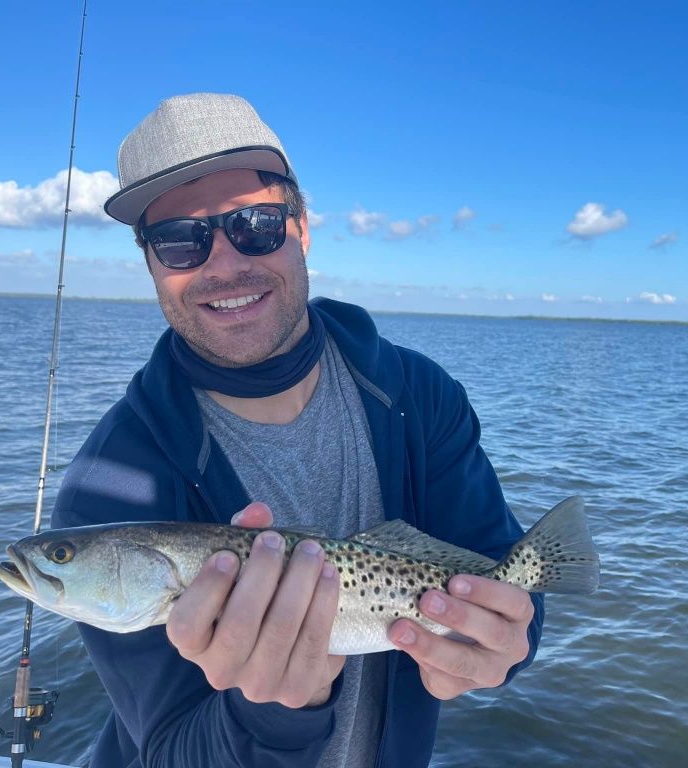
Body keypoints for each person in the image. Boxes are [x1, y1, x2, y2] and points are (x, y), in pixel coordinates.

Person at [52, 92, 545, 768]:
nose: (224, 265)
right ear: (150, 263)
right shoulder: (111, 486)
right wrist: (273, 713)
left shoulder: (421, 396)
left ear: (303, 227)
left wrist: (502, 642)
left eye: (256, 224)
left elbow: (502, 569)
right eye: (179, 240)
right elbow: (166, 753)